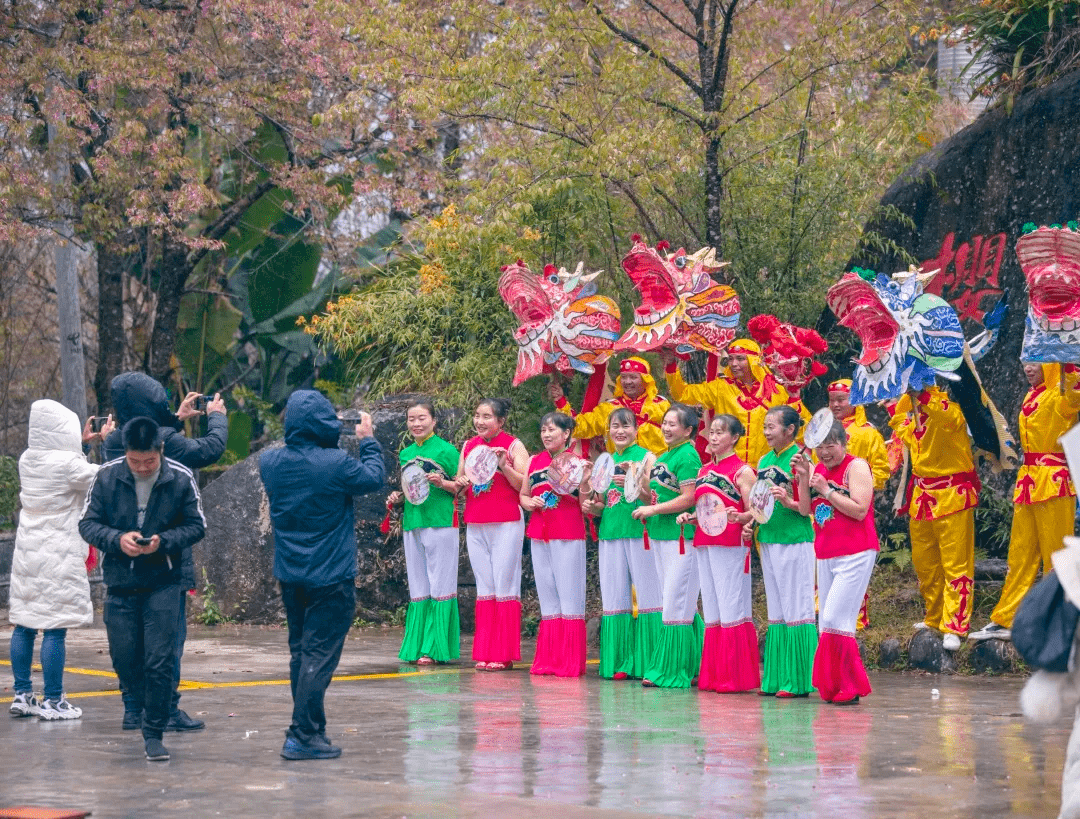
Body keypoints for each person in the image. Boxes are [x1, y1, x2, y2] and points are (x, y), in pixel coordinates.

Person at [259, 390, 385, 760]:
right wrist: (368, 441)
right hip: (331, 575)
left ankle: (312, 730)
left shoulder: (270, 462)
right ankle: (300, 734)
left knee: (301, 653)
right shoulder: (335, 463)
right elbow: (373, 478)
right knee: (318, 655)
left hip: (291, 573)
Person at [102, 371, 227, 733]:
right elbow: (209, 450)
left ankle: (132, 710)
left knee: (130, 643)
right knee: (166, 641)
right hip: (165, 556)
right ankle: (167, 711)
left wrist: (176, 419)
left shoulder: (117, 441)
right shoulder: (163, 444)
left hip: (123, 563)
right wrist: (216, 416)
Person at [79, 417, 207, 762]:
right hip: (121, 582)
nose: (142, 468)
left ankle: (154, 731)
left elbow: (197, 526)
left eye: (149, 462)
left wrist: (163, 542)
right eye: (135, 461)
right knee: (125, 657)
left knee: (160, 659)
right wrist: (117, 540)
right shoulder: (107, 475)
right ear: (126, 455)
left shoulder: (179, 477)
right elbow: (87, 524)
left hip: (164, 581)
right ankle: (134, 705)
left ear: (160, 451)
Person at [8, 401, 114, 720]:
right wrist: (109, 441)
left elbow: (65, 467)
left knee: (25, 623)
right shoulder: (69, 465)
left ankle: (23, 694)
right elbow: (102, 478)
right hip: (58, 551)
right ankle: (54, 700)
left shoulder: (28, 459)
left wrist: (81, 445)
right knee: (55, 627)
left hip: (27, 551)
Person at [970, 362, 1080, 643]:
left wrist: (1066, 360)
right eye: (1024, 362)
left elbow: (1075, 395)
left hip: (1053, 481)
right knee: (1020, 554)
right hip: (1029, 480)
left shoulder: (1061, 393)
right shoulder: (1033, 395)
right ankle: (1008, 618)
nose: (1027, 368)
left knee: (1056, 555)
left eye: (1034, 362)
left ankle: (1057, 622)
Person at [888, 385, 979, 651]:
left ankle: (955, 624)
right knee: (925, 564)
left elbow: (947, 417)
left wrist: (923, 396)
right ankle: (935, 616)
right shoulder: (913, 414)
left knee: (956, 565)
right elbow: (904, 432)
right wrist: (892, 403)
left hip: (953, 495)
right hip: (922, 497)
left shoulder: (950, 410)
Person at [795, 419, 877, 704]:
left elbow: (860, 510)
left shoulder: (857, 467)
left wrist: (828, 490)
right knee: (826, 624)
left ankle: (851, 686)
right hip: (826, 552)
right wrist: (804, 478)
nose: (825, 453)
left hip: (856, 551)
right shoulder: (817, 469)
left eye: (831, 446)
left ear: (844, 444)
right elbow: (806, 509)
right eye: (820, 447)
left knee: (835, 618)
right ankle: (833, 686)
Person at [678, 414, 759, 693]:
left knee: (730, 604)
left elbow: (754, 510)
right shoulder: (702, 471)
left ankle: (734, 676)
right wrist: (691, 517)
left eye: (720, 433)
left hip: (731, 543)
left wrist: (741, 516)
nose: (712, 437)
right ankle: (714, 675)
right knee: (711, 607)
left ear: (734, 438)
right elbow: (706, 510)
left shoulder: (742, 471)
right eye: (711, 432)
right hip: (705, 541)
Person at [581, 408, 662, 680]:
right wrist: (592, 508)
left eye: (626, 426)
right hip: (611, 532)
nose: (620, 431)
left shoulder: (648, 458)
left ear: (637, 430)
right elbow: (603, 504)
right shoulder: (605, 462)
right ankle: (619, 662)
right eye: (615, 426)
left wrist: (634, 479)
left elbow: (656, 496)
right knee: (615, 597)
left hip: (641, 531)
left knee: (650, 596)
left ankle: (650, 661)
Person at [632, 404, 702, 688]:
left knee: (675, 601)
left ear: (688, 430)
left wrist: (654, 510)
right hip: (662, 536)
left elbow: (689, 498)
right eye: (665, 422)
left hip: (681, 537)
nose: (666, 427)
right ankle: (695, 662)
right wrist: (636, 478)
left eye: (673, 424)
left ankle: (672, 670)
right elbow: (656, 493)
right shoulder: (665, 455)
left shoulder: (688, 455)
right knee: (676, 602)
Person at [455, 397, 529, 671]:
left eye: (486, 416)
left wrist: (503, 465)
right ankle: (485, 651)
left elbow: (526, 483)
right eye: (477, 415)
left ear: (500, 421)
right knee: (485, 586)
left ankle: (504, 653)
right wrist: (456, 483)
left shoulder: (513, 445)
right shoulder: (469, 446)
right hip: (476, 520)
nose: (480, 421)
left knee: (504, 583)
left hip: (506, 520)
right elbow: (460, 483)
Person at [388, 399, 461, 665]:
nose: (416, 424)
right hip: (413, 522)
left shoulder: (447, 451)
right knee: (419, 586)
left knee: (440, 584)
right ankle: (416, 645)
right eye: (411, 419)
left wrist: (443, 482)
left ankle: (434, 647)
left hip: (440, 521)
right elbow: (412, 489)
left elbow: (463, 487)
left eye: (422, 418)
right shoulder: (406, 453)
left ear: (434, 420)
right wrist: (398, 496)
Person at [756, 405, 817, 698]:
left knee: (796, 608)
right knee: (777, 611)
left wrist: (788, 499)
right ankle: (776, 678)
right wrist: (746, 520)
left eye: (772, 427)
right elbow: (758, 504)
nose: (767, 432)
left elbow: (807, 509)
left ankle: (799, 679)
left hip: (795, 537)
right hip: (768, 536)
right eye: (765, 426)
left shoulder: (803, 460)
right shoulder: (765, 460)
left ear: (790, 430)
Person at [521, 412, 587, 677]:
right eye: (543, 430)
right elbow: (524, 495)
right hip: (539, 531)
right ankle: (549, 660)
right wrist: (530, 503)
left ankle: (569, 662)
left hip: (568, 531)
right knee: (547, 594)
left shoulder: (578, 463)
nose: (547, 435)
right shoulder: (534, 462)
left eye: (553, 430)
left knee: (569, 594)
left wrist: (584, 481)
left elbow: (586, 503)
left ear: (567, 434)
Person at [662, 339, 786, 469]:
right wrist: (671, 365)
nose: (734, 364)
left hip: (766, 468)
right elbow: (682, 394)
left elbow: (795, 426)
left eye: (740, 358)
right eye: (731, 359)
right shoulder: (720, 387)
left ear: (754, 360)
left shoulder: (777, 390)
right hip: (727, 469)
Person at [827, 378, 890, 630]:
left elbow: (881, 470)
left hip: (855, 504)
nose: (835, 405)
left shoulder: (868, 433)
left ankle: (856, 615)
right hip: (825, 503)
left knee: (853, 554)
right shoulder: (822, 431)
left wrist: (859, 487)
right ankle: (825, 610)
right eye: (831, 400)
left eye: (841, 400)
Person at [548, 357, 670, 454]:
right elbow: (579, 427)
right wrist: (561, 401)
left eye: (633, 377)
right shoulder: (609, 408)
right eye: (624, 377)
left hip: (656, 470)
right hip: (620, 472)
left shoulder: (661, 405)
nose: (627, 382)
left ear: (645, 380)